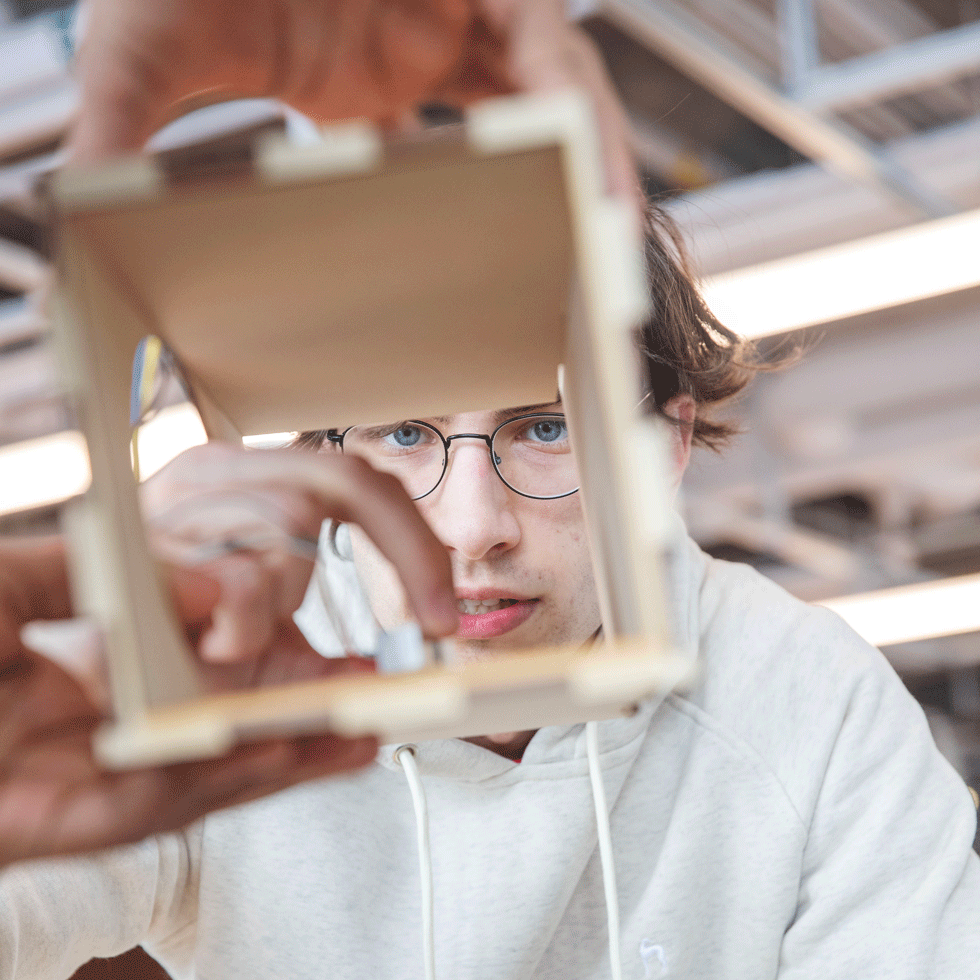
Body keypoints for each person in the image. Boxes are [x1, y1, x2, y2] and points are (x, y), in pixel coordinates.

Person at [0, 0, 978, 977]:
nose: (469, 529)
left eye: (544, 426)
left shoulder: (810, 701)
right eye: (403, 432)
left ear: (666, 444)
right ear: (324, 449)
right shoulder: (225, 672)